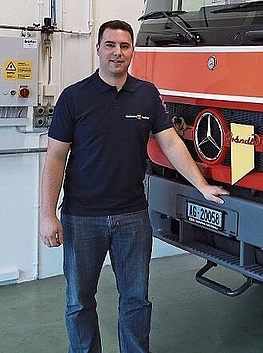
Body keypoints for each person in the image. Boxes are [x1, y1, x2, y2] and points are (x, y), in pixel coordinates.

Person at [39, 19, 229, 353]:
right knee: (79, 301)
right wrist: (47, 214)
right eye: (110, 45)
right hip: (82, 218)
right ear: (98, 48)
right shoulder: (74, 97)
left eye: (124, 46)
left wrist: (202, 185)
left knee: (136, 301)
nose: (117, 53)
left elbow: (170, 144)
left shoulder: (146, 95)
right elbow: (55, 157)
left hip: (132, 218)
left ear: (133, 52)